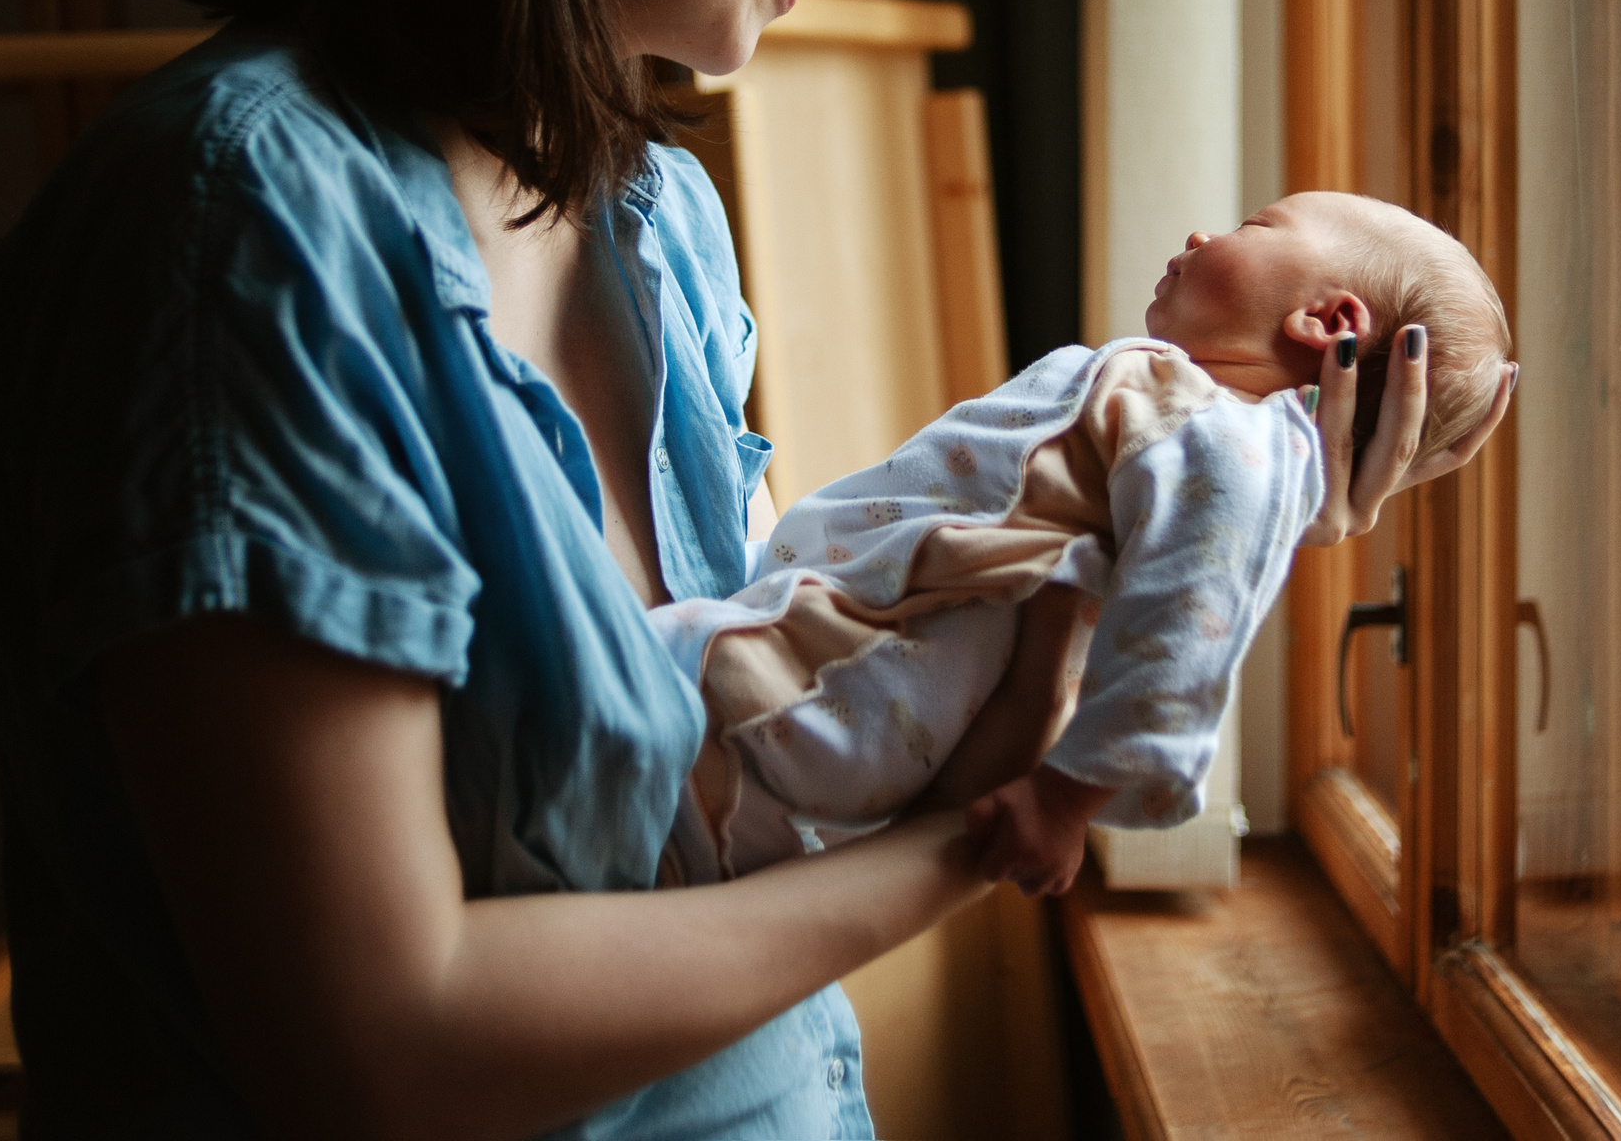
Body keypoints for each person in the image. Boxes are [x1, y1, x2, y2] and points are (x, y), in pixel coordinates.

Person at [0, 0, 1506, 1138]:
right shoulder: (241, 231)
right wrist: (972, 830)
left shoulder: (658, 226)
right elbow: (380, 1049)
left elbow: (731, 771)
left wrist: (1189, 509)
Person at [647, 194, 1515, 893]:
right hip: (822, 675)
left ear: (1329, 320)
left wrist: (1067, 798)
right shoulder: (1187, 426)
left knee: (629, 688)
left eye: (1256, 226)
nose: (1203, 231)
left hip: (817, 679)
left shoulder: (1231, 438)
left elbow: (1189, 626)